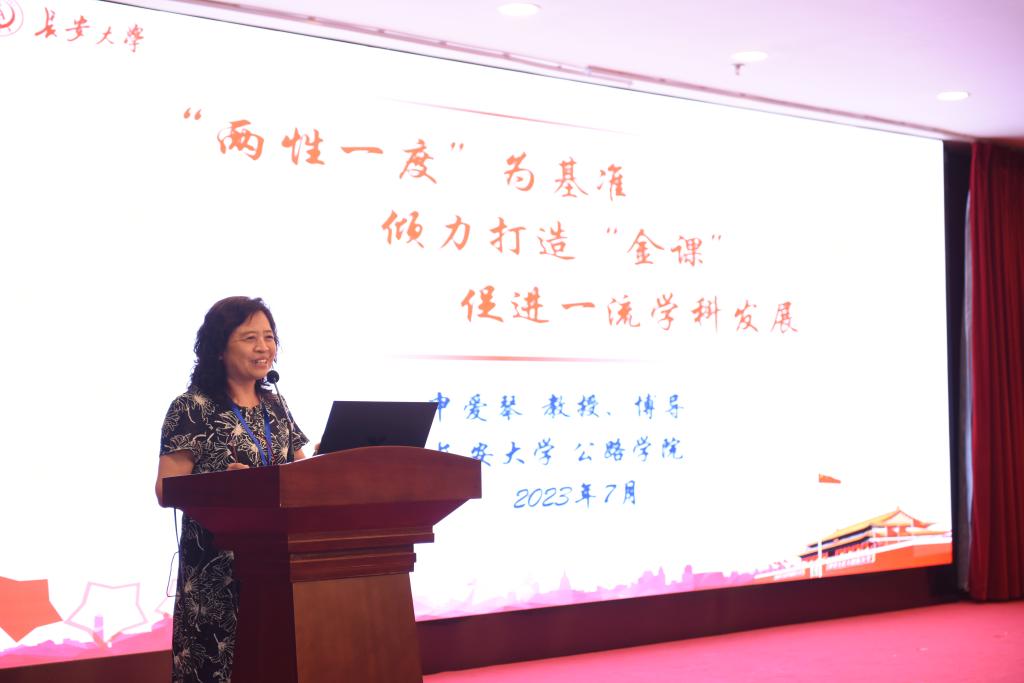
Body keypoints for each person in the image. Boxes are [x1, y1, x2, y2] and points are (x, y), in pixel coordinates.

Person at [154, 296, 309, 683]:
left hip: (276, 568)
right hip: (216, 574)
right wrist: (225, 486)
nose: (263, 347)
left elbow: (302, 474)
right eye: (250, 338)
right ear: (219, 349)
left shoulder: (275, 406)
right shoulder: (192, 408)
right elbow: (165, 490)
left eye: (269, 337)